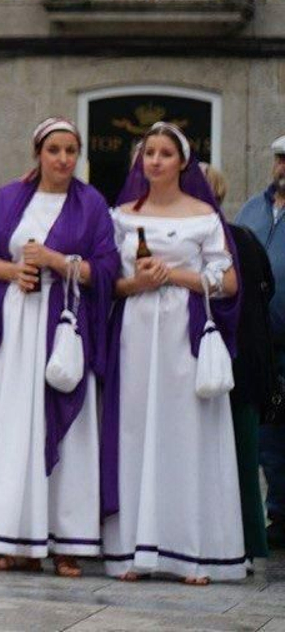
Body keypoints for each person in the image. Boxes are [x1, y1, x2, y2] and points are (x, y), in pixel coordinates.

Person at [0, 118, 119, 576]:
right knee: (10, 430)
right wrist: (11, 272)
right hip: (15, 326)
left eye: (71, 151)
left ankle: (68, 542)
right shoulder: (8, 198)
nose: (63, 159)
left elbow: (107, 269)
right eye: (54, 150)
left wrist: (58, 263)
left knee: (68, 429)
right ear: (38, 154)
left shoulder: (91, 205)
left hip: (63, 329)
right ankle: (7, 537)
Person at [103, 122, 245, 584]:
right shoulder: (121, 215)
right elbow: (110, 283)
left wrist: (174, 276)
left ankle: (191, 553)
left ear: (183, 162)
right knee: (136, 430)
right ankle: (131, 550)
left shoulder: (203, 216)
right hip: (136, 334)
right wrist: (135, 283)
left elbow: (228, 283)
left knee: (184, 433)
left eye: (166, 153)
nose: (156, 161)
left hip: (184, 334)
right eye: (149, 153)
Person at [206, 163, 277, 562]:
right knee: (247, 457)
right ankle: (252, 541)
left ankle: (247, 542)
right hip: (245, 361)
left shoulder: (232, 240)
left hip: (236, 363)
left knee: (243, 452)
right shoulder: (247, 231)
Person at [234, 134, 285, 544]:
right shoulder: (253, 208)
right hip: (261, 342)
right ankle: (277, 517)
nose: (283, 168)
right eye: (280, 159)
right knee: (266, 433)